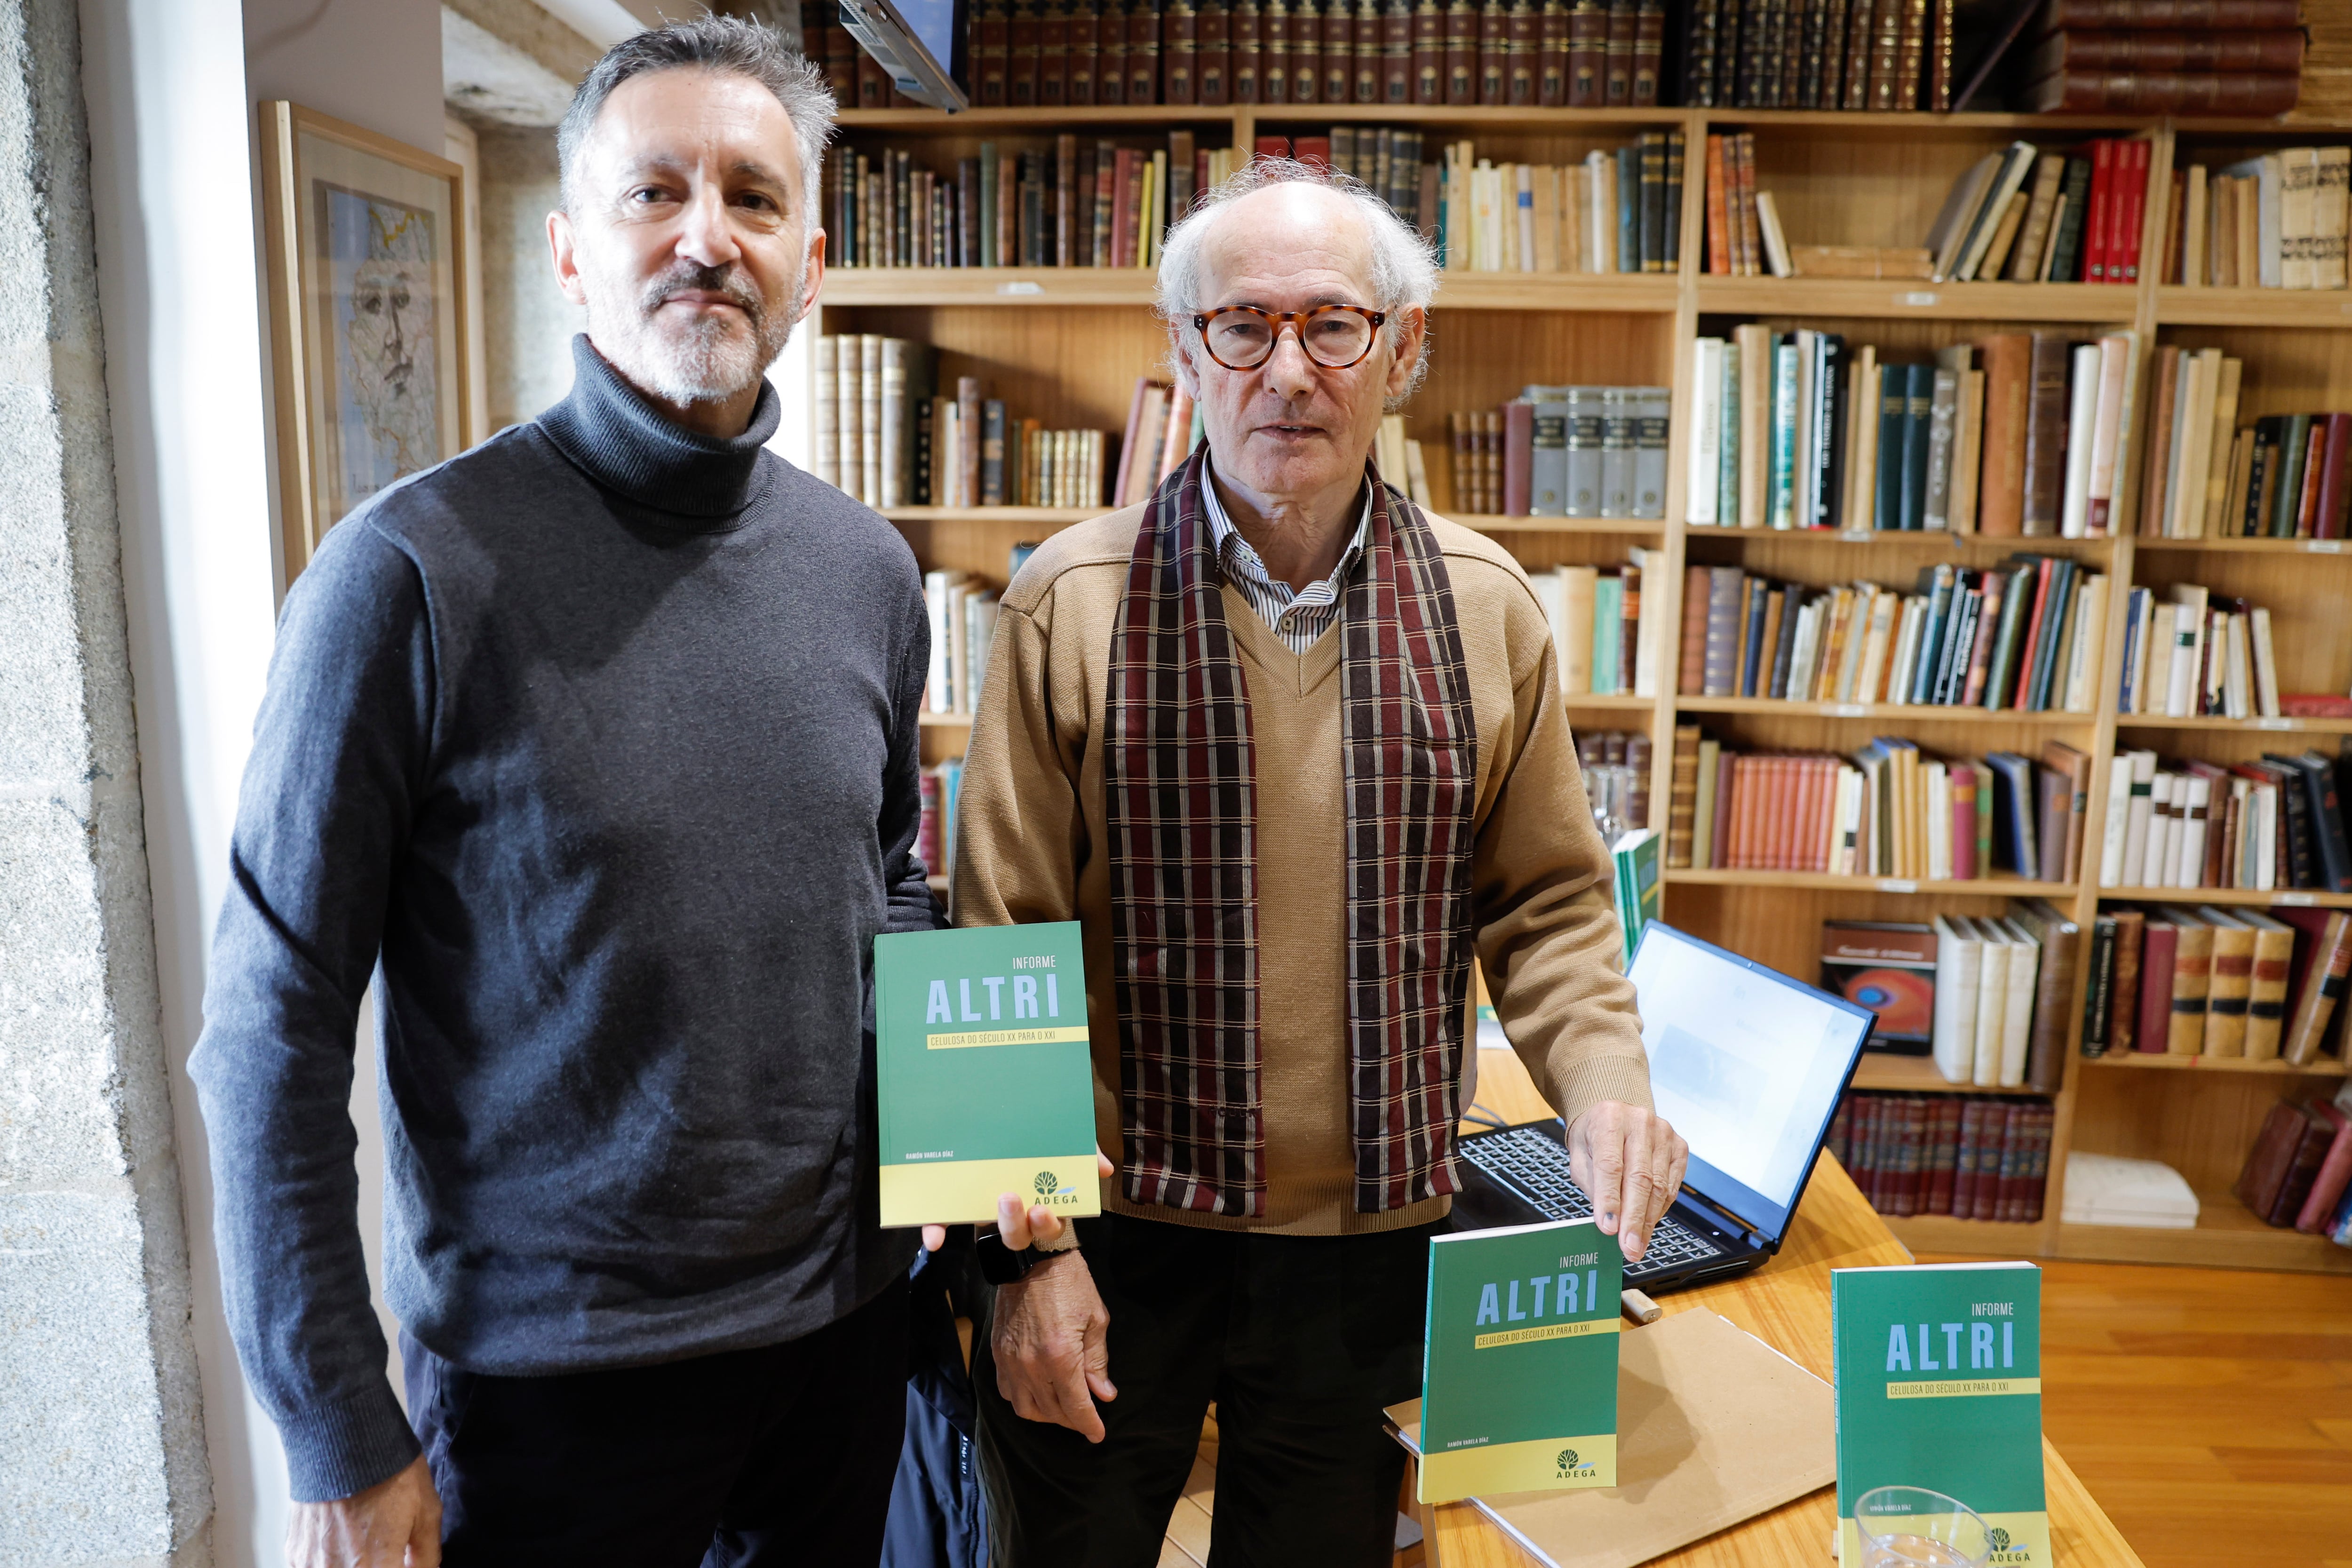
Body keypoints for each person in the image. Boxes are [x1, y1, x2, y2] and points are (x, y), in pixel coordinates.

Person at [189, 18, 934, 1566]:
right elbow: (271, 1025)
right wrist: (336, 1423)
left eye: (749, 195)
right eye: (652, 194)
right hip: (553, 1392)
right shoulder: (405, 575)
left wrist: (1002, 1190)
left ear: (810, 252)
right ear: (571, 253)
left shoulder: (867, 571)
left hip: (840, 1347)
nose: (704, 238)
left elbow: (897, 899)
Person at [947, 160, 1692, 1567]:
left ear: (1401, 351)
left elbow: (1544, 904)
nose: (1288, 371)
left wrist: (1607, 1088)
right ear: (1185, 352)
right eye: (1243, 327)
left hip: (1375, 1244)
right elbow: (995, 958)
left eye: (1332, 326)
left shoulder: (1488, 609)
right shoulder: (1069, 604)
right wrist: (1026, 1264)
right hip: (1118, 1237)